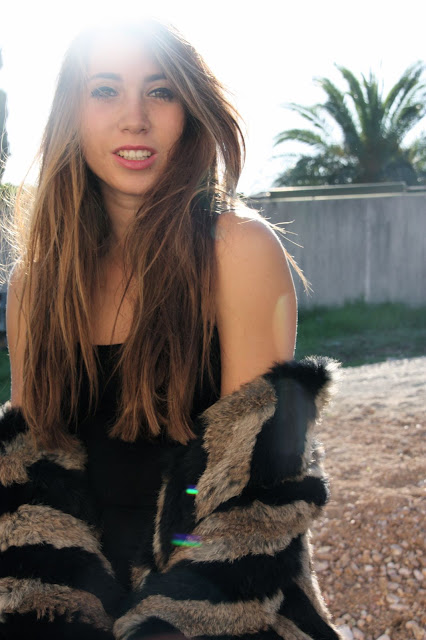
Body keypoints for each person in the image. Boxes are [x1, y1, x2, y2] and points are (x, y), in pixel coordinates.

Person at [1, 18, 342, 640]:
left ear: (190, 110)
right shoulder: (36, 284)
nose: (134, 118)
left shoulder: (238, 250)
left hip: (224, 598)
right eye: (105, 90)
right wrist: (58, 613)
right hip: (80, 600)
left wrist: (161, 624)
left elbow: (253, 492)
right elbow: (30, 480)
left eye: (160, 91)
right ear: (71, 113)